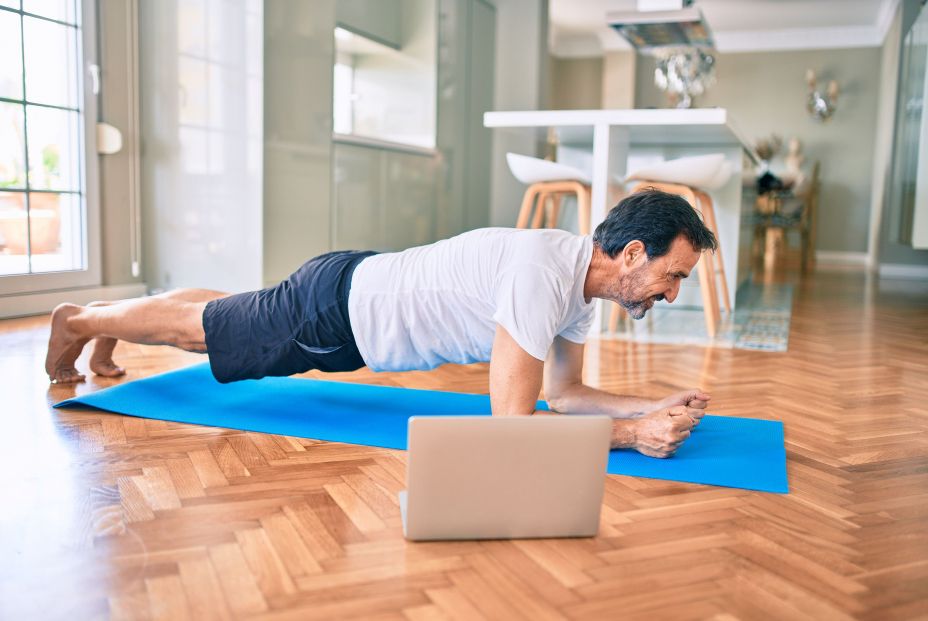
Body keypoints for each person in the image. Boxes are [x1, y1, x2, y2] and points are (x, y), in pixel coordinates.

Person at [46, 189, 717, 458]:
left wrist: (650, 405)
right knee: (202, 329)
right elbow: (513, 424)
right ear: (632, 253)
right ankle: (80, 318)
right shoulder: (542, 272)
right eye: (673, 274)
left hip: (348, 294)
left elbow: (564, 396)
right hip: (335, 315)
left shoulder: (573, 282)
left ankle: (111, 321)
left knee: (221, 312)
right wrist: (632, 435)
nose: (672, 290)